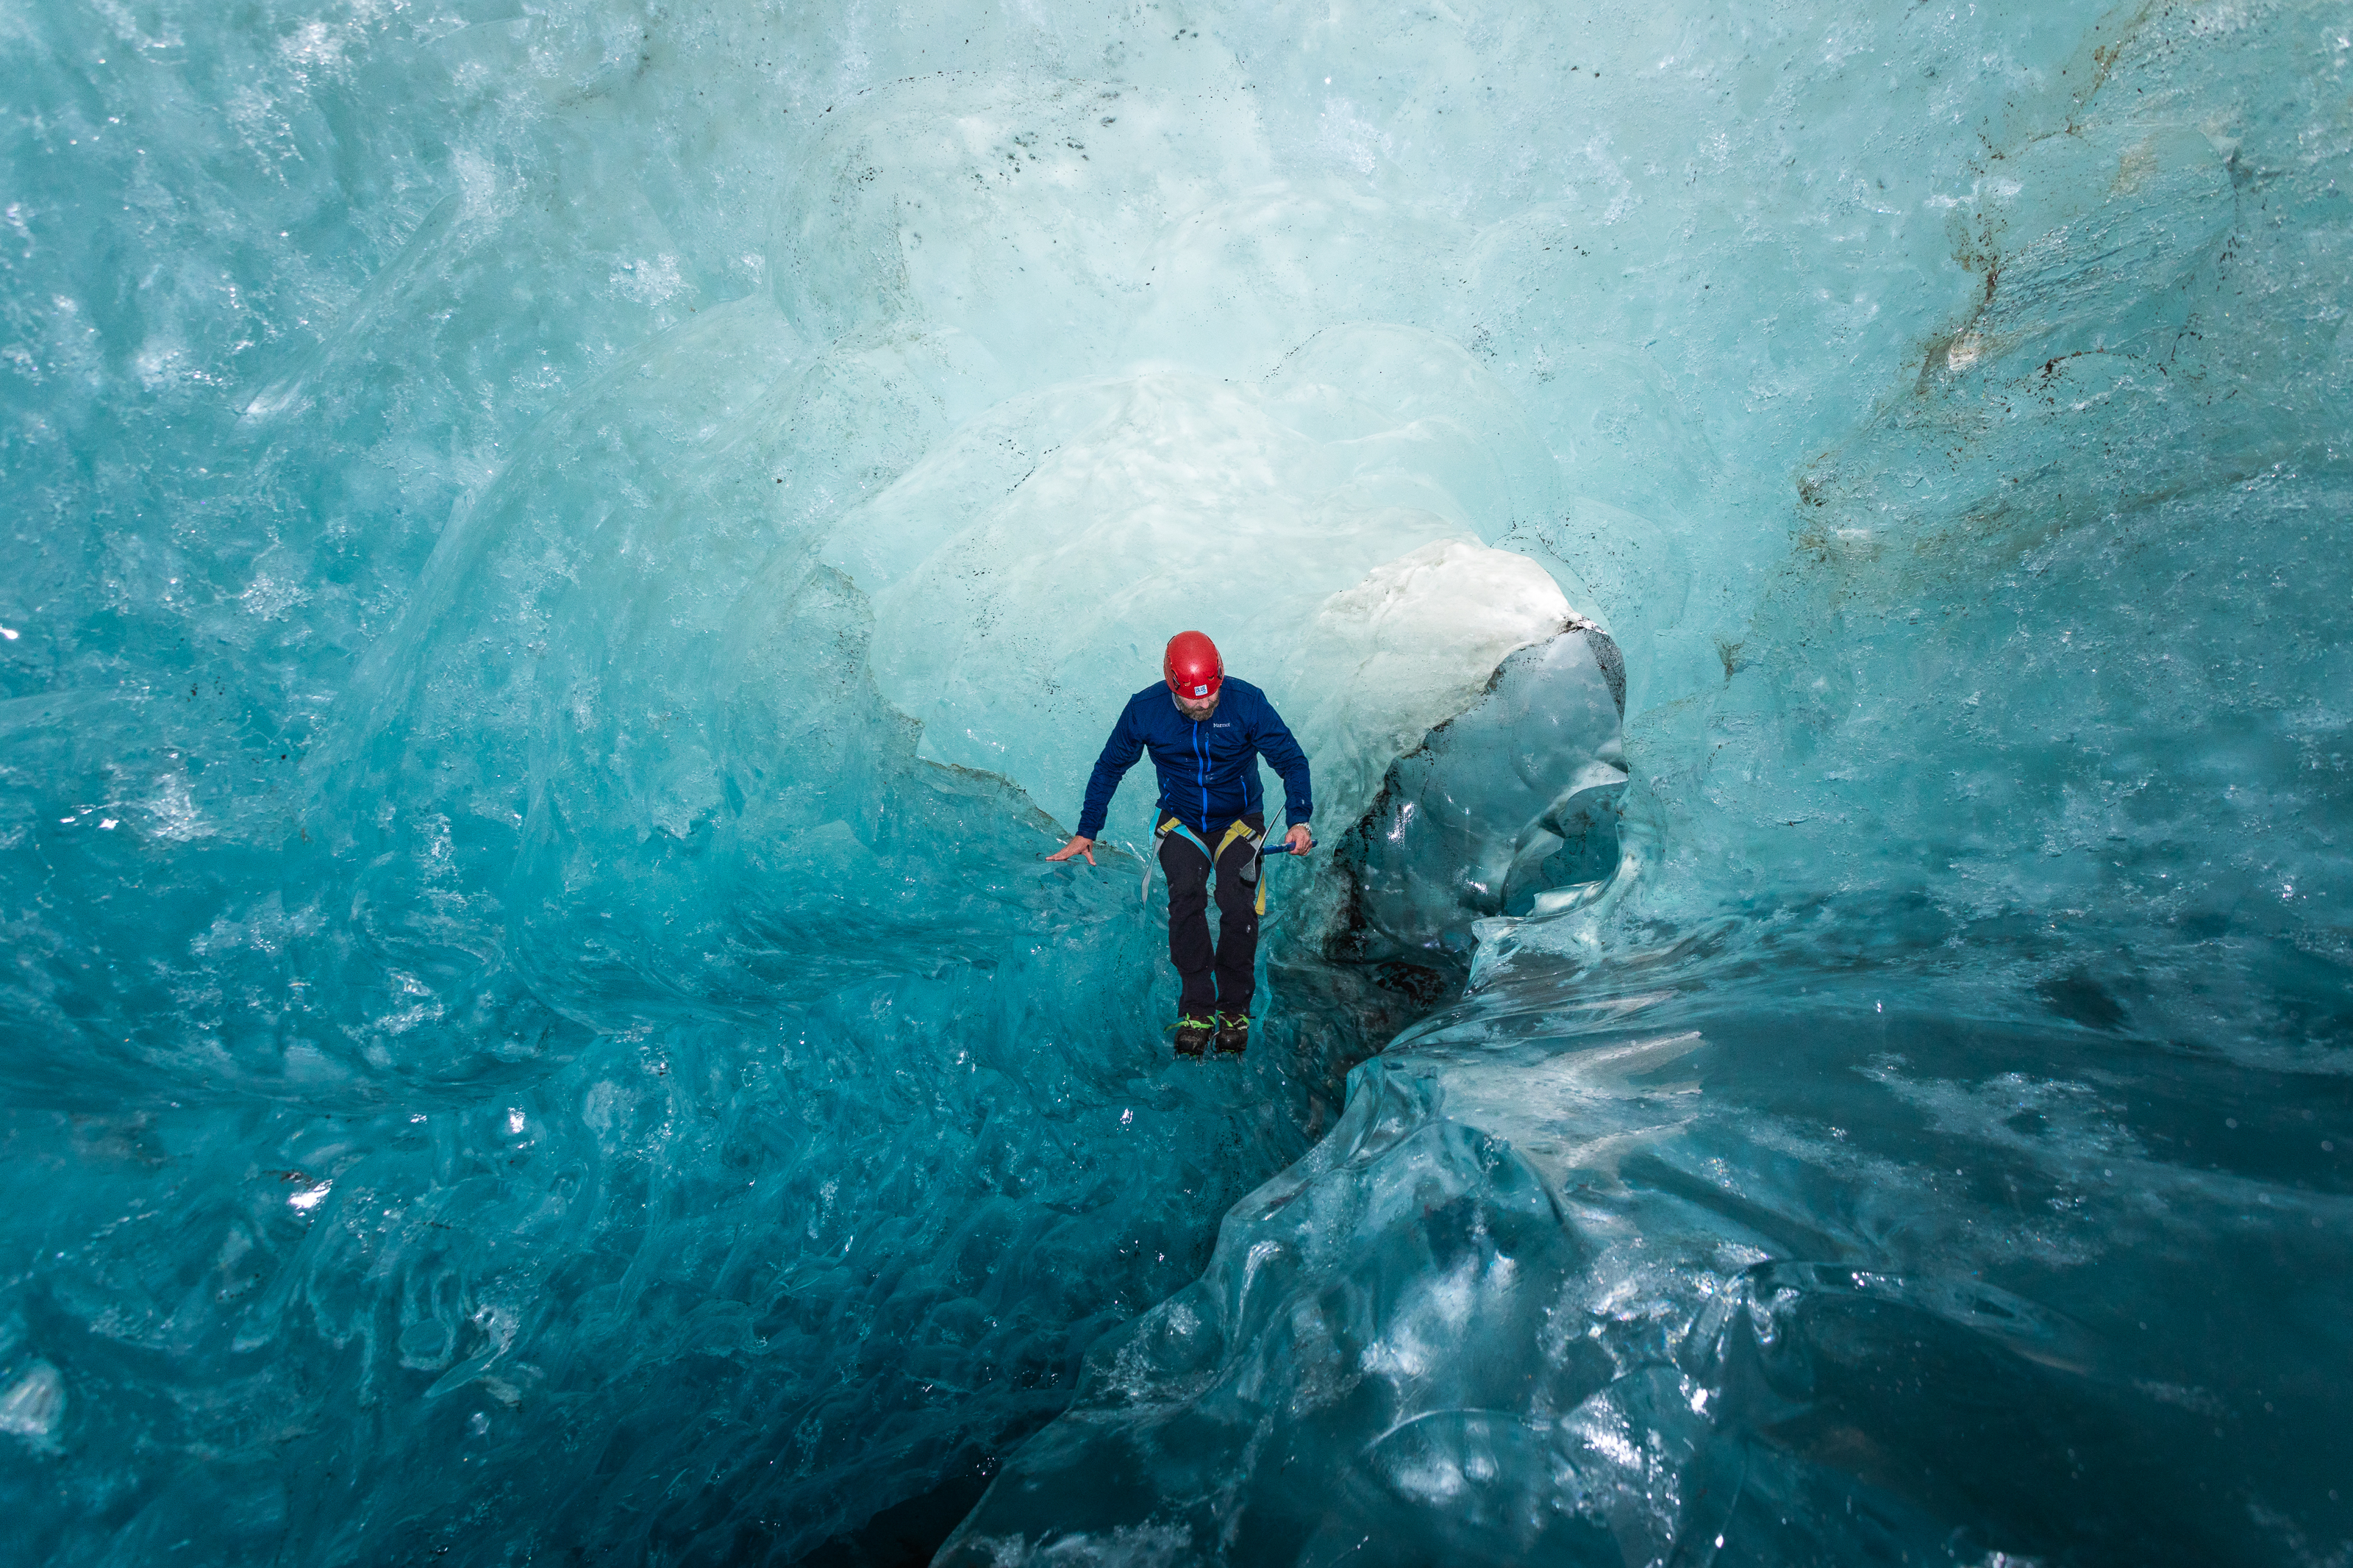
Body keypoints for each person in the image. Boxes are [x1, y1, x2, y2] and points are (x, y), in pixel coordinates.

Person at [1046, 631, 1313, 1057]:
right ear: (1172, 685)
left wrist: (1299, 820)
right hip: (1182, 820)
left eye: (1212, 695)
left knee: (1237, 903)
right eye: (1194, 699)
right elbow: (1109, 767)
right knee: (1185, 898)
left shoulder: (1247, 703)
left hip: (1240, 820)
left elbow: (1291, 760)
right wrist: (1087, 830)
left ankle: (1234, 1009)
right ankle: (1196, 1010)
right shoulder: (1145, 710)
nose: (1205, 705)